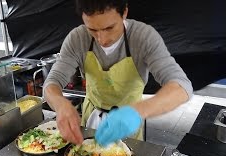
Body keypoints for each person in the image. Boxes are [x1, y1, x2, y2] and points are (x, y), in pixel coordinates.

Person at [43, 0, 193, 146]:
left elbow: (182, 87)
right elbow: (52, 82)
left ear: (124, 12)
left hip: (128, 124)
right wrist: (60, 104)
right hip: (92, 119)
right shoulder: (77, 38)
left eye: (109, 28)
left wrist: (137, 111)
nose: (102, 39)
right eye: (93, 30)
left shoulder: (143, 37)